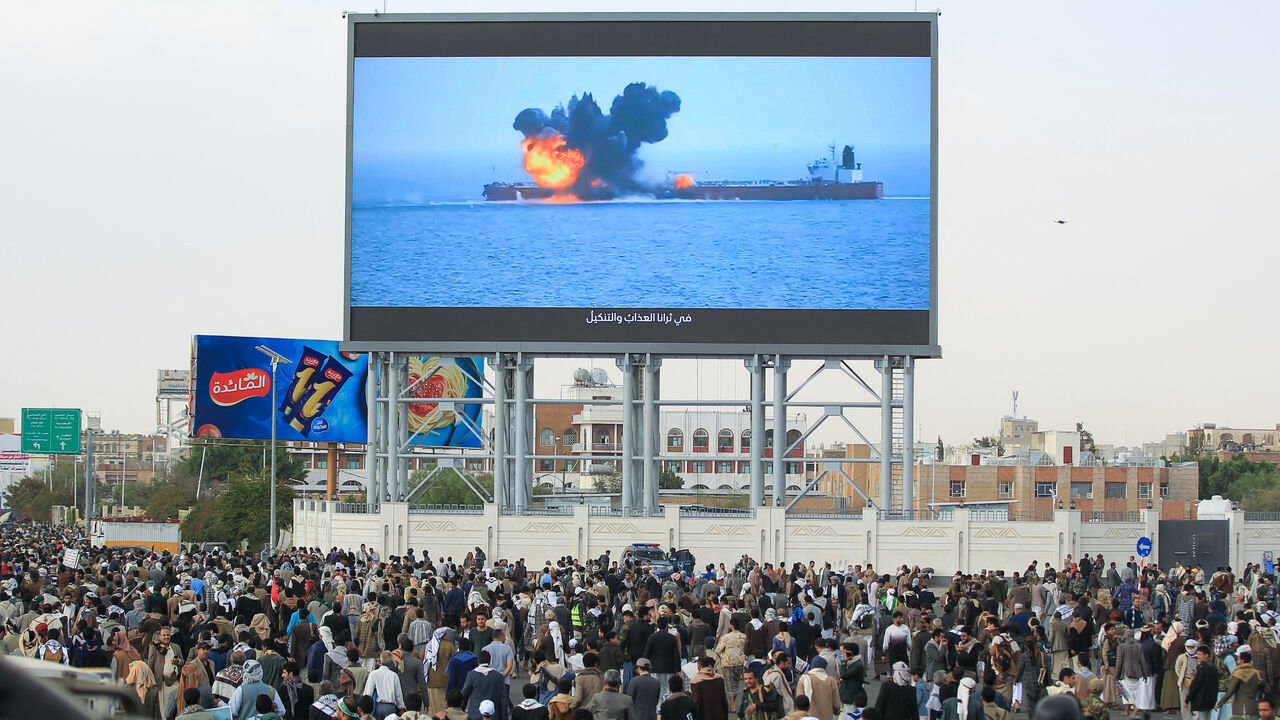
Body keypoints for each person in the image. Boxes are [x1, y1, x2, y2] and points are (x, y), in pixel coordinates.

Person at [461, 650, 508, 720]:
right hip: (493, 716)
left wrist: (462, 711)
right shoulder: (498, 676)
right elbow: (503, 701)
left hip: (474, 715)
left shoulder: (472, 675)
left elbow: (464, 695)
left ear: (478, 661)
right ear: (490, 661)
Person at [1216, 649, 1261, 720]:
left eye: (1238, 660)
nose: (1237, 662)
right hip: (1255, 707)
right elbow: (1266, 689)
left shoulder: (1238, 673)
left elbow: (1230, 691)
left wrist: (1219, 704)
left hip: (1241, 708)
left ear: (1242, 661)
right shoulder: (1257, 673)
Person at [367, 651, 407, 720]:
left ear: (379, 661)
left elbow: (368, 693)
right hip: (390, 707)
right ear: (391, 662)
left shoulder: (373, 674)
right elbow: (398, 695)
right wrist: (401, 707)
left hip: (377, 707)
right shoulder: (394, 675)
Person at [690, 656, 729, 720]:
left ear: (699, 665)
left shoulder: (696, 681)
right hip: (719, 715)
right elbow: (724, 701)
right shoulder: (719, 679)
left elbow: (697, 702)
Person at [1186, 646, 1219, 720]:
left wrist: (1188, 699)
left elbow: (1195, 685)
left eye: (1200, 654)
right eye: (1197, 654)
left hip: (1199, 701)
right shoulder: (1214, 668)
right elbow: (1216, 686)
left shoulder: (1202, 668)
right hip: (1210, 702)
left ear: (1206, 655)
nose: (1198, 656)